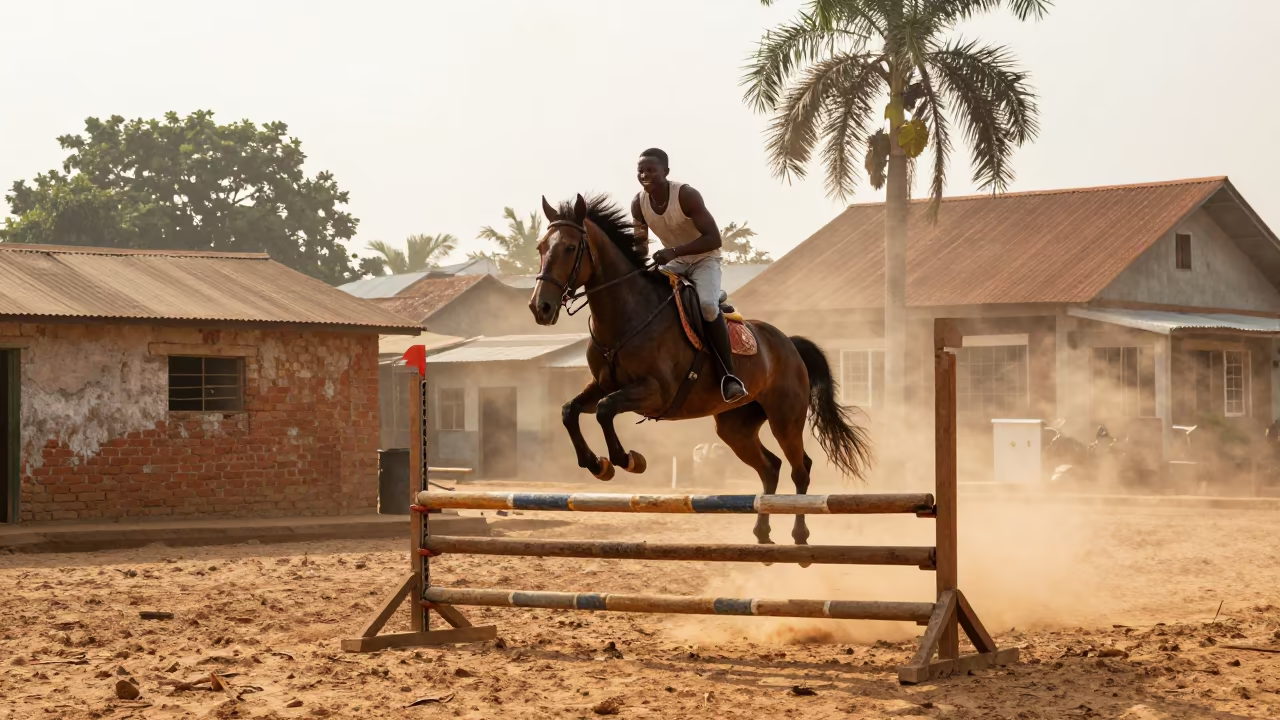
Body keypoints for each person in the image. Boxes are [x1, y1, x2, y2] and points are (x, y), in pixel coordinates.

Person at [631, 147, 746, 403]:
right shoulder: (638, 204)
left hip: (705, 260)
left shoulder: (686, 195)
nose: (645, 175)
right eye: (640, 171)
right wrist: (633, 256)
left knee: (706, 305)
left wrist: (672, 251)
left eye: (651, 170)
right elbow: (640, 244)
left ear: (666, 171)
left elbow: (714, 239)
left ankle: (729, 376)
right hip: (674, 262)